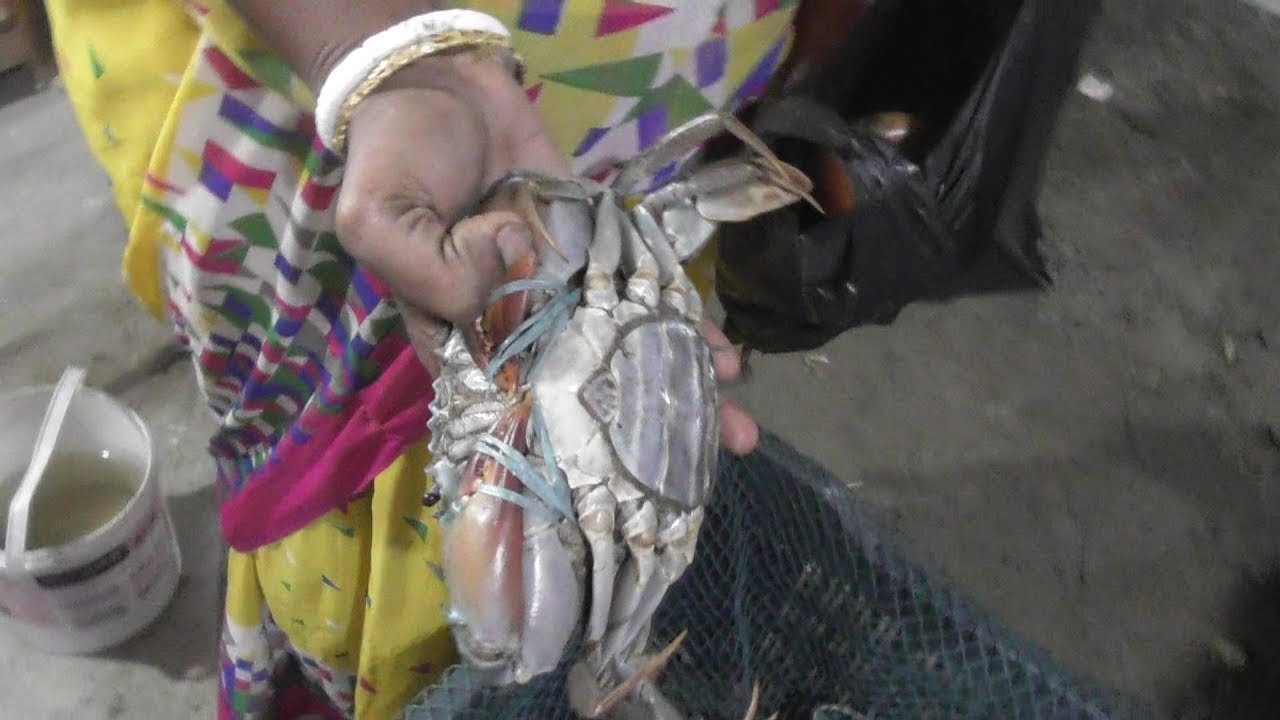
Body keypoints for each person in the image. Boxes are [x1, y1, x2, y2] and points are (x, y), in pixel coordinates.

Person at [42, 1, 813, 718]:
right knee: (334, 528)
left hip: (633, 129)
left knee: (552, 614)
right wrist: (380, 59)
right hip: (292, 103)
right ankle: (321, 659)